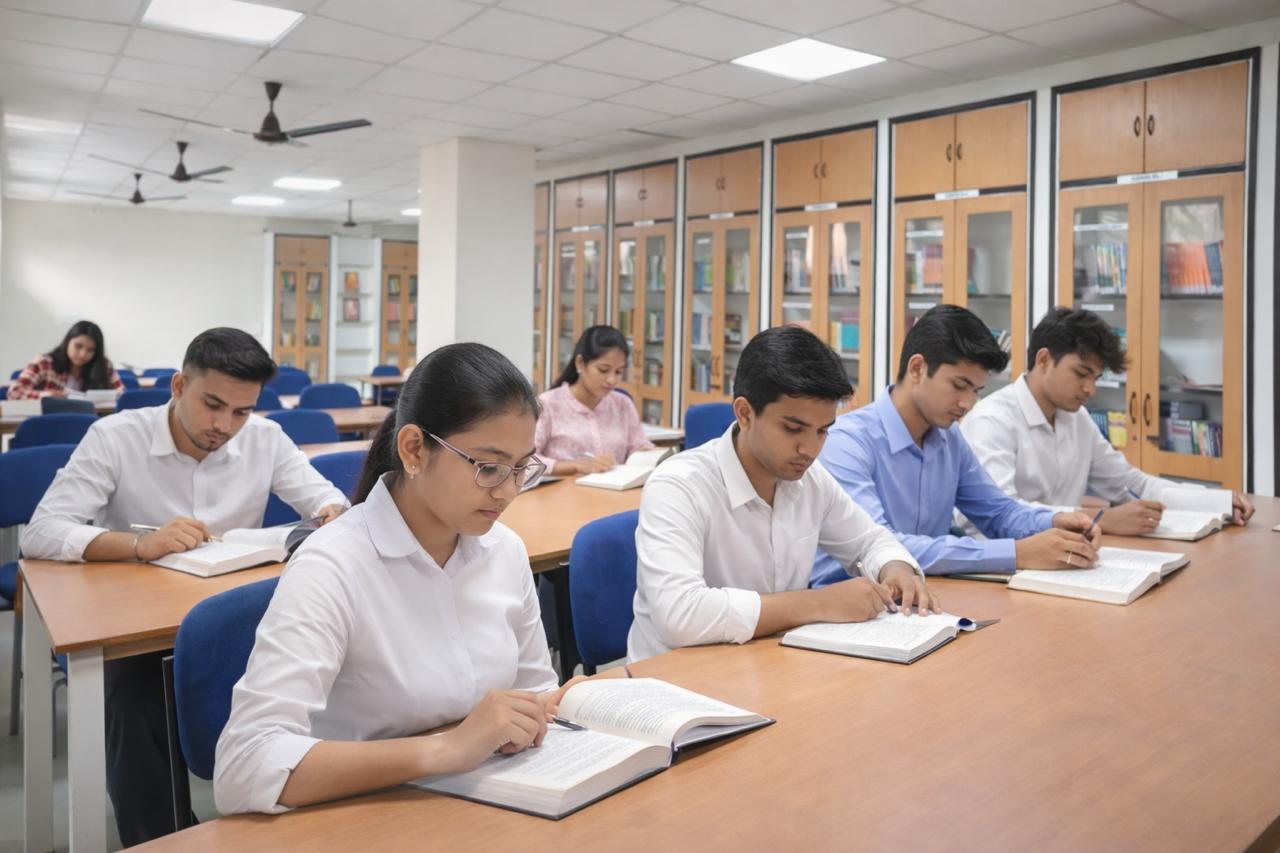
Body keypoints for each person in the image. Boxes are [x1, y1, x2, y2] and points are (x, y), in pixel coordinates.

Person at [21, 327, 349, 847]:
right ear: (178, 386)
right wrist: (136, 546)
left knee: (329, 654)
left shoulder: (263, 437)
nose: (224, 425)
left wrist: (332, 515)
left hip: (226, 611)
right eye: (212, 405)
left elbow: (329, 503)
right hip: (138, 620)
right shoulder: (117, 437)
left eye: (241, 412)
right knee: (134, 690)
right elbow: (41, 532)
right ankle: (158, 835)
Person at [214, 343, 567, 815]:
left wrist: (548, 711)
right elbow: (244, 767)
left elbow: (534, 691)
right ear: (414, 448)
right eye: (488, 467)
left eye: (521, 468)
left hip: (485, 806)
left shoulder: (504, 550)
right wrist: (445, 750)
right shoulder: (333, 565)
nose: (507, 491)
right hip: (360, 816)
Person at [627, 325, 937, 664]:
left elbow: (870, 541)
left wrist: (896, 570)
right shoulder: (678, 485)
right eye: (793, 429)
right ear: (745, 413)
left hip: (767, 665)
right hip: (675, 683)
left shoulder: (810, 480)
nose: (810, 448)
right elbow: (680, 616)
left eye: (822, 431)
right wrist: (819, 603)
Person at [811, 305, 1102, 587]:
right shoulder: (847, 442)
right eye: (959, 385)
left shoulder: (948, 438)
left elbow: (998, 513)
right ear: (917, 368)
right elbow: (883, 545)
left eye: (975, 391)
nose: (968, 404)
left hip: (925, 596)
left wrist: (1055, 521)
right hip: (846, 606)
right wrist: (1018, 553)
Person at [960, 307, 1254, 532]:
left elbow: (1132, 486)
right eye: (1081, 373)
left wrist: (1219, 502)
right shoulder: (992, 420)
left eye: (1096, 377)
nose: (1090, 389)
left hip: (1067, 555)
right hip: (1000, 569)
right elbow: (1000, 515)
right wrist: (1102, 519)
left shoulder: (1077, 419)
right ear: (1044, 360)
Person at [535, 325, 653, 476]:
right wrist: (575, 466)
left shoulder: (623, 404)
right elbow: (525, 462)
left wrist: (652, 455)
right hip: (563, 494)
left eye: (618, 372)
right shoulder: (548, 404)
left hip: (614, 493)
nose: (612, 380)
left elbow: (640, 447)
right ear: (580, 363)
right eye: (603, 370)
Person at [6, 319, 123, 399]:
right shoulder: (44, 363)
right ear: (67, 342)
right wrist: (48, 395)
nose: (82, 354)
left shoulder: (103, 365)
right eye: (78, 346)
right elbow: (14, 393)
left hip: (90, 424)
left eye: (90, 350)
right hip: (50, 424)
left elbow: (121, 394)